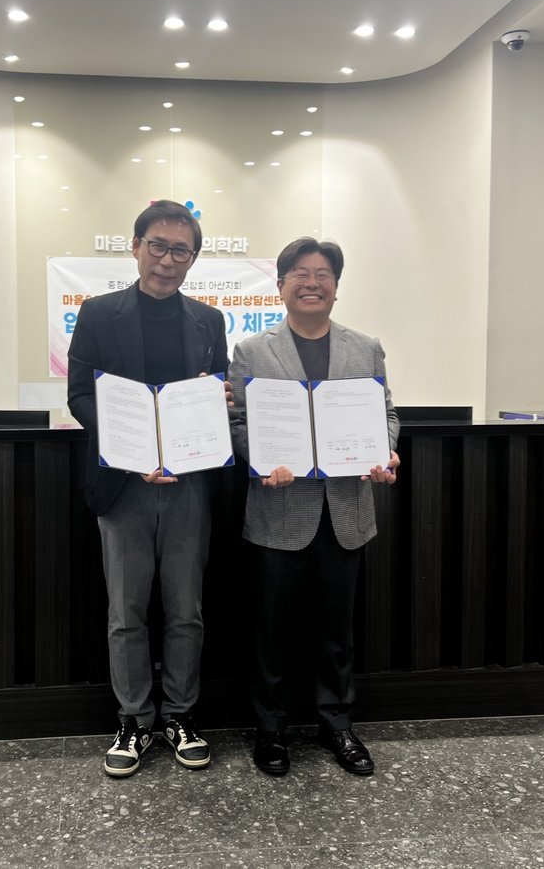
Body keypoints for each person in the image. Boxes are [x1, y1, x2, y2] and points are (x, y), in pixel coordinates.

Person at [67, 199, 230, 777]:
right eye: (157, 246)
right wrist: (132, 451)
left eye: (180, 250)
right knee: (127, 611)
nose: (167, 259)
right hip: (122, 484)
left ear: (194, 258)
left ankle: (180, 715)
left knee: (186, 611)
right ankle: (134, 720)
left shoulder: (209, 321)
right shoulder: (97, 313)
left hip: (189, 484)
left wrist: (219, 402)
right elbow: (79, 395)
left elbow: (217, 397)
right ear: (136, 247)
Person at [228, 236, 399, 777]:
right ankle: (270, 729)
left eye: (323, 274)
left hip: (346, 511)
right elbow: (237, 423)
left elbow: (386, 413)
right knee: (271, 630)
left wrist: (385, 450)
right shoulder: (252, 352)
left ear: (336, 286)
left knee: (336, 632)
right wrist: (260, 460)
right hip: (279, 508)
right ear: (280, 285)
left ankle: (337, 725)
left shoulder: (365, 348)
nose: (311, 282)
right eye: (300, 273)